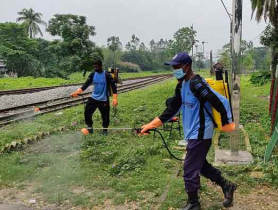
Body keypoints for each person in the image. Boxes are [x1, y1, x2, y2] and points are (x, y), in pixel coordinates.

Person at [140, 52, 236, 209]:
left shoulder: (196, 83)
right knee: (201, 165)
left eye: (177, 67)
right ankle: (227, 186)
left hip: (201, 132)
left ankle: (193, 203)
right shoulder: (182, 84)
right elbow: (172, 109)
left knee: (189, 169)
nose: (174, 70)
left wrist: (227, 123)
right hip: (193, 133)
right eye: (173, 67)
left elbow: (219, 101)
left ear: (187, 66)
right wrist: (150, 125)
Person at [71, 58, 118, 135]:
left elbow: (113, 86)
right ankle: (90, 128)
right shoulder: (93, 74)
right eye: (94, 67)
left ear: (101, 66)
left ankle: (105, 130)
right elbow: (86, 84)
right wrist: (77, 92)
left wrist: (115, 98)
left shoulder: (106, 75)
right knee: (87, 112)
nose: (95, 68)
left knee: (105, 116)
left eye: (97, 67)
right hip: (94, 98)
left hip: (104, 99)